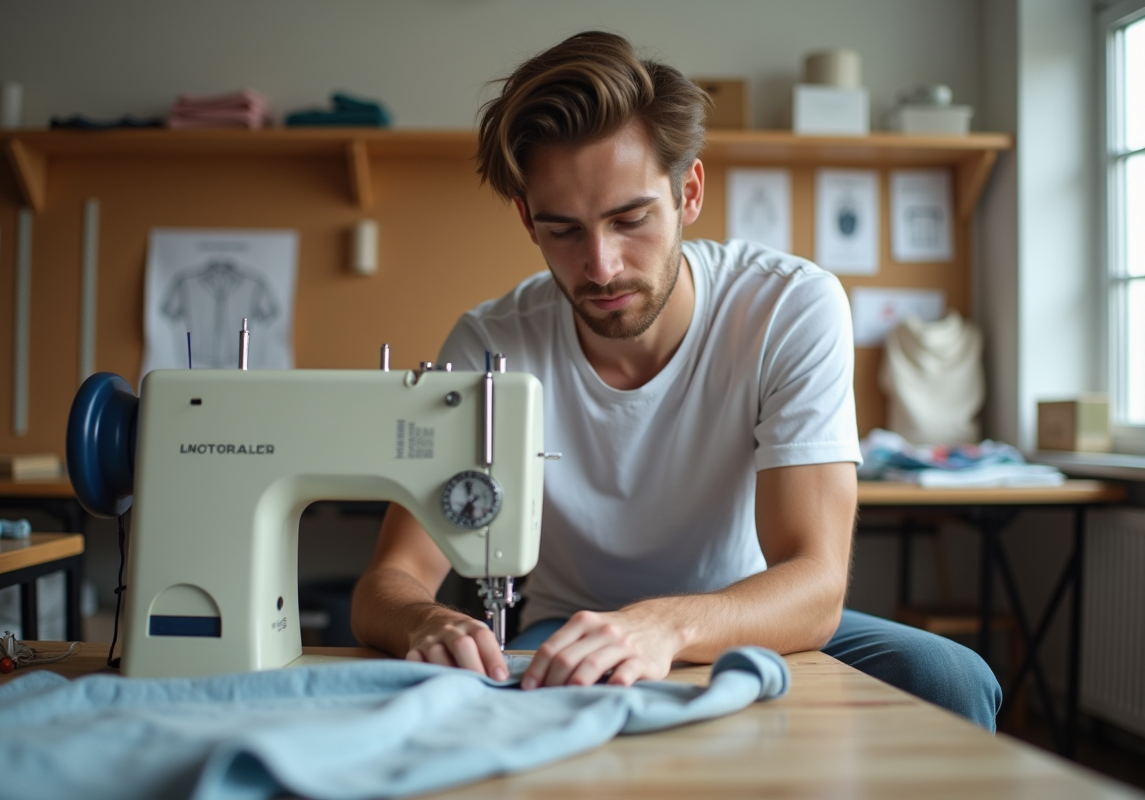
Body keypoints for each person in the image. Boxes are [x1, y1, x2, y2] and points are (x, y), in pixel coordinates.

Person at [351, 30, 1001, 730]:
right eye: (563, 230)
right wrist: (426, 620)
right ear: (526, 221)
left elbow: (813, 587)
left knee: (951, 677)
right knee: (532, 714)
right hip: (570, 624)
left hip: (750, 614)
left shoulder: (790, 307)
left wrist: (665, 626)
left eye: (630, 219)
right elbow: (387, 583)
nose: (600, 266)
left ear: (688, 191)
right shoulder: (490, 342)